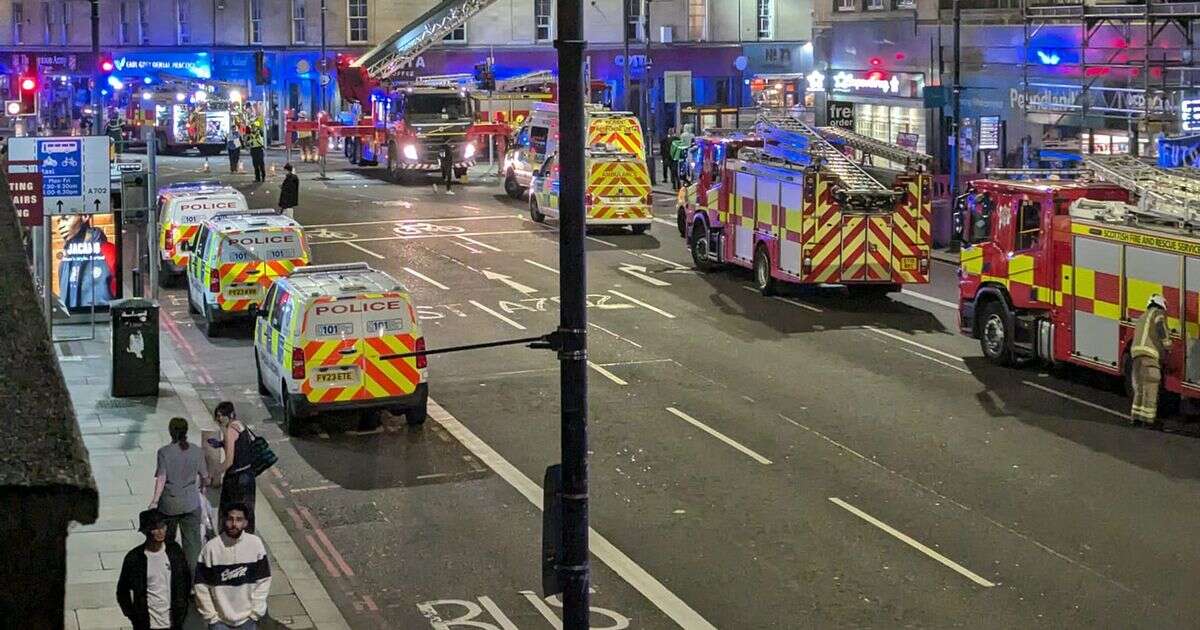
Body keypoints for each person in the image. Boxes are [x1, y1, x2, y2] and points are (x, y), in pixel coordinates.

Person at [194, 503, 271, 630]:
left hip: (248, 621)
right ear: (224, 520)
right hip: (219, 623)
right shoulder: (211, 548)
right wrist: (211, 617)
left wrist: (255, 613)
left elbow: (264, 580)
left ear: (245, 523)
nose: (234, 524)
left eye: (239, 520)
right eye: (230, 519)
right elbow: (200, 586)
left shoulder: (255, 544)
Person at [149, 417, 209, 573]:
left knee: (167, 542)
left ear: (170, 432)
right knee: (193, 545)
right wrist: (202, 491)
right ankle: (195, 582)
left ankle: (172, 575)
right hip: (191, 503)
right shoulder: (197, 451)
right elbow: (205, 478)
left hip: (169, 505)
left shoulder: (164, 452)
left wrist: (155, 500)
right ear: (186, 431)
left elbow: (161, 478)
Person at [116, 509, 192, 630]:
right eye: (155, 528)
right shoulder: (135, 558)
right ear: (146, 531)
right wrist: (133, 616)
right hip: (147, 623)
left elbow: (186, 580)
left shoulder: (175, 552)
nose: (160, 531)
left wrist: (182, 608)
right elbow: (122, 592)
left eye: (162, 526)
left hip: (174, 622)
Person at [212, 402, 257, 533]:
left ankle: (232, 539)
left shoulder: (230, 430)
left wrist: (215, 473)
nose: (219, 419)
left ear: (230, 415)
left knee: (231, 513)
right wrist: (221, 444)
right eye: (217, 416)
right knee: (247, 512)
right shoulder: (240, 425)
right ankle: (248, 538)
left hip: (236, 479)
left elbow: (229, 461)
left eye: (221, 416)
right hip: (248, 475)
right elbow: (240, 447)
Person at [1130, 294, 1173, 428]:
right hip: (1150, 358)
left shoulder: (1142, 317)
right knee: (1151, 388)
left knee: (1140, 389)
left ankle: (1136, 418)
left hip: (1137, 358)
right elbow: (1161, 328)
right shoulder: (1158, 313)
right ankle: (1149, 421)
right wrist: (1168, 345)